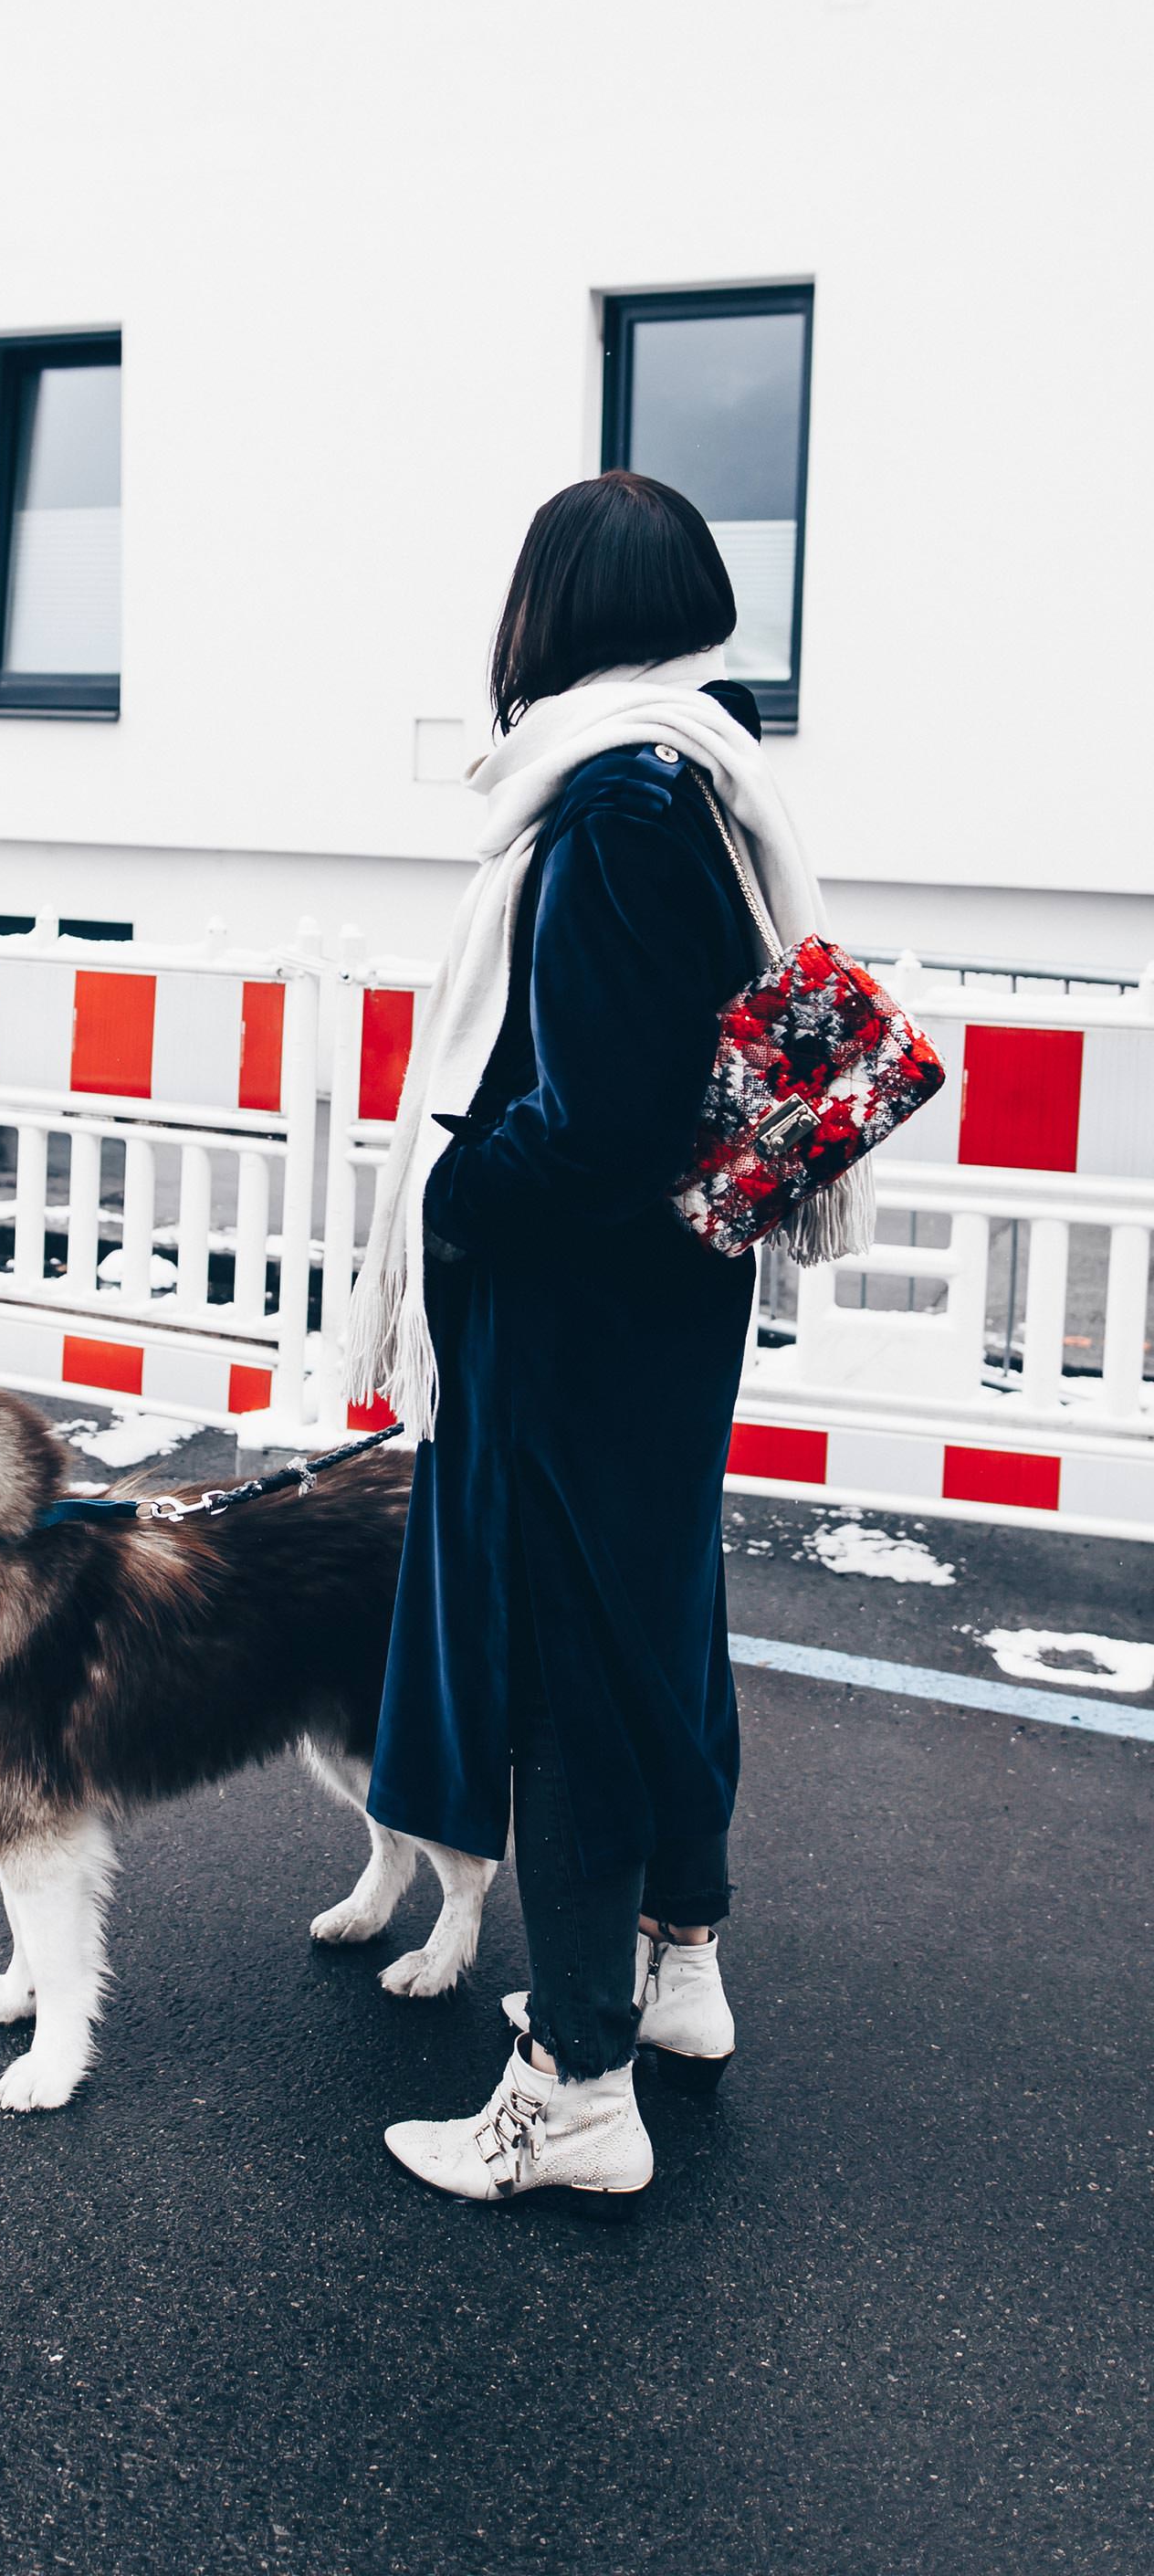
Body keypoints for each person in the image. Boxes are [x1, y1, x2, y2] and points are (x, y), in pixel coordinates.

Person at [344, 470, 869, 2213]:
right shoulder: (698, 783)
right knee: (657, 1631)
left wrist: (452, 1192)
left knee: (571, 1673)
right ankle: (677, 1966)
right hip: (653, 1311)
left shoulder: (612, 813)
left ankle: (574, 2085)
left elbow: (599, 1120)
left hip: (579, 1319)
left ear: (545, 614)